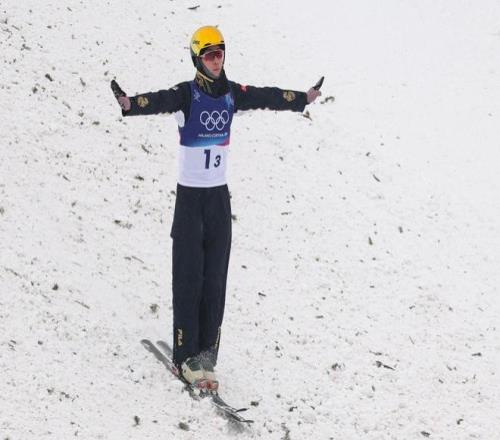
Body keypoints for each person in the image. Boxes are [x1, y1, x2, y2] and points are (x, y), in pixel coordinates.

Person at [111, 26, 322, 391]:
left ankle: (207, 354)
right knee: (189, 277)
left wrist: (302, 98)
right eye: (209, 55)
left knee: (215, 280)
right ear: (197, 59)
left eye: (220, 53)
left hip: (218, 200)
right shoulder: (186, 94)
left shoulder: (230, 94)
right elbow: (158, 101)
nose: (216, 60)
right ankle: (185, 356)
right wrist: (131, 104)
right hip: (190, 200)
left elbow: (267, 96)